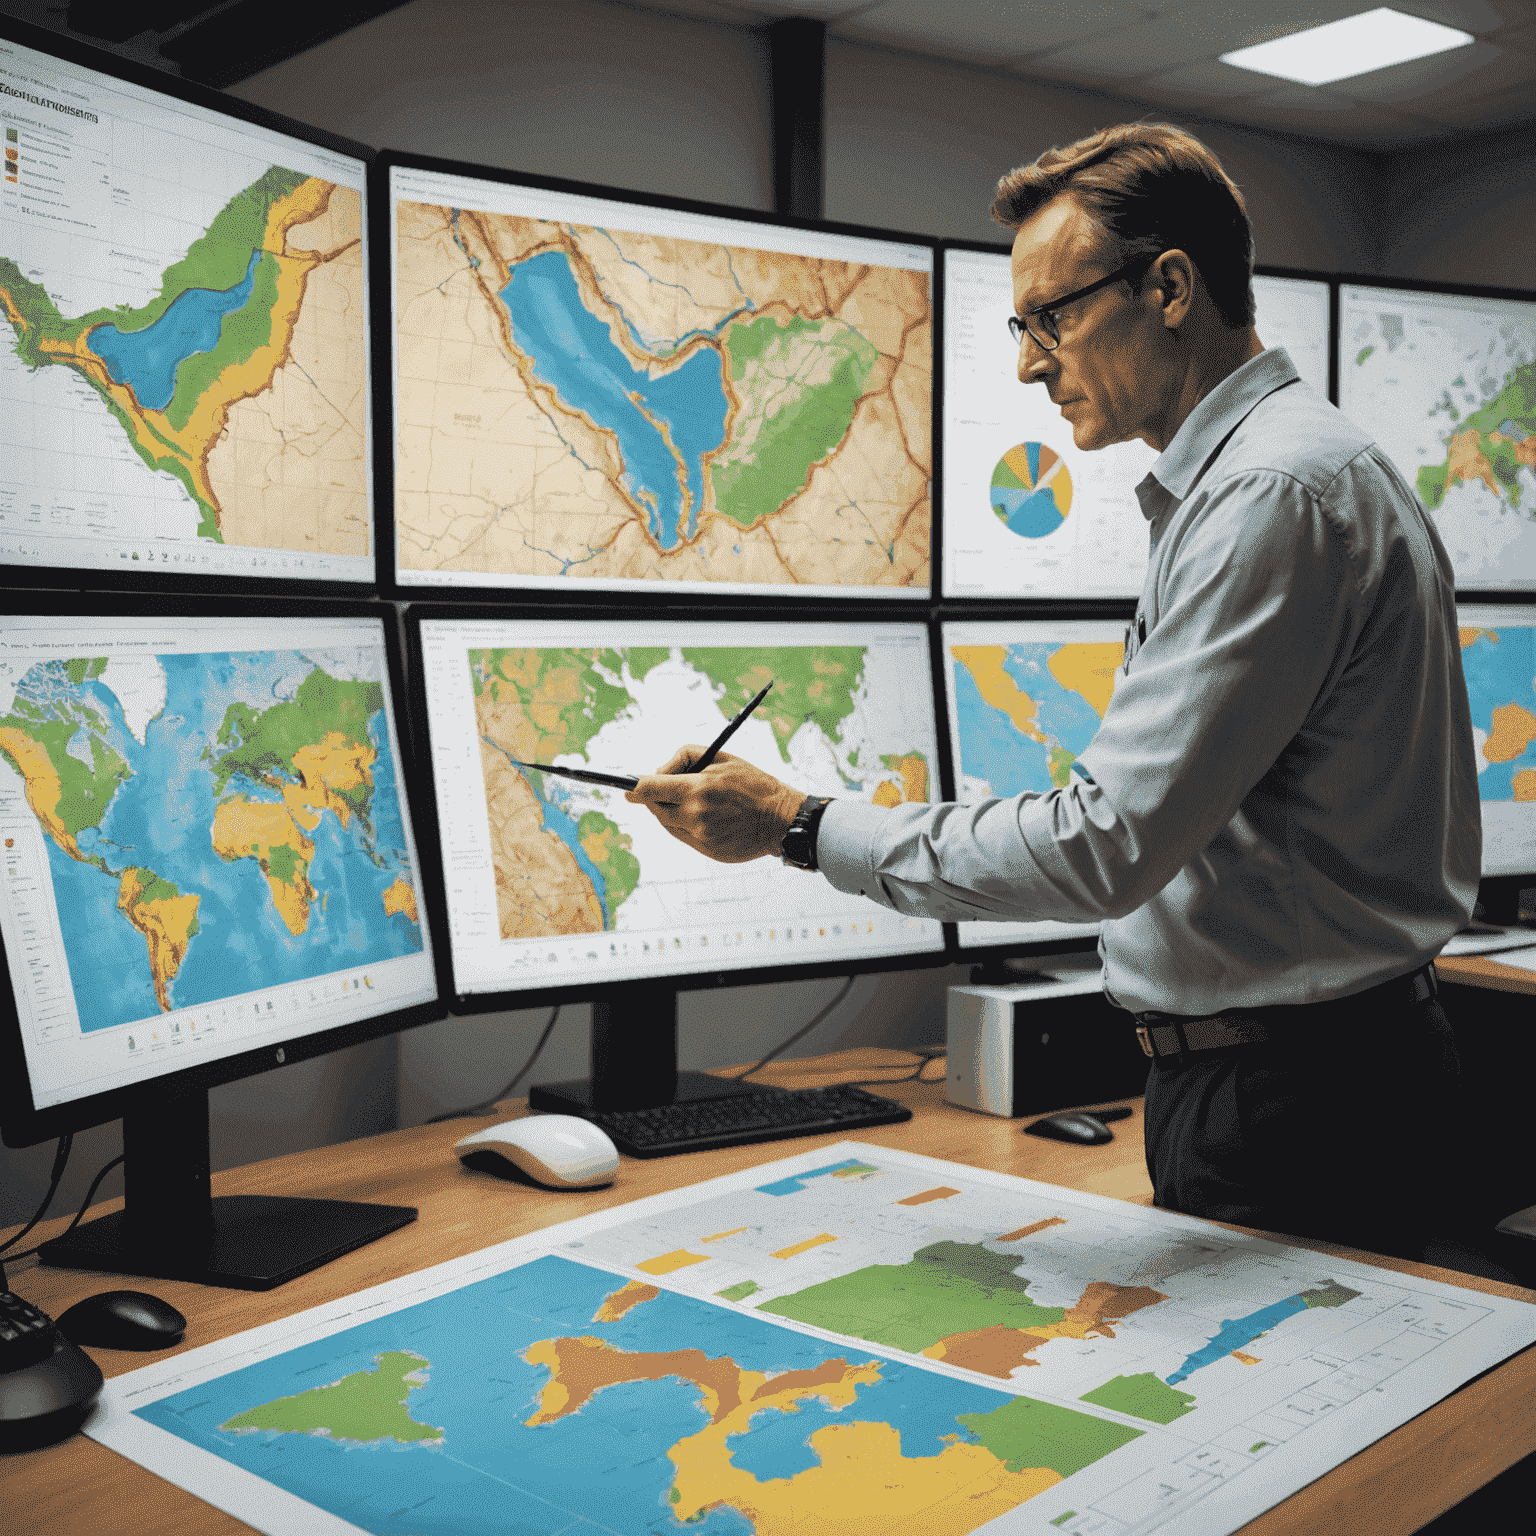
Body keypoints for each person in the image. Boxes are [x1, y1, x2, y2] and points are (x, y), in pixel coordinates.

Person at [628, 123, 1480, 1260]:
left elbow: (1107, 843)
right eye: (1021, 327)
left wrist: (795, 824)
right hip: (1305, 1078)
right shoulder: (1284, 474)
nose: (1029, 363)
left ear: (1169, 287)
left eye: (1053, 317)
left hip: (1301, 1105)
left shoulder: (1270, 498)